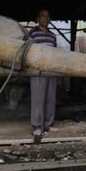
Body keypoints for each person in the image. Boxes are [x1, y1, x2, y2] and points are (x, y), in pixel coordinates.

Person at [28, 9, 58, 144]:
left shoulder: (53, 36)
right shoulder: (32, 33)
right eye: (43, 16)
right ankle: (36, 127)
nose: (45, 18)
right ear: (37, 18)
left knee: (50, 98)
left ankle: (47, 125)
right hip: (37, 70)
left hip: (50, 70)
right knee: (37, 99)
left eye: (47, 16)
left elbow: (55, 52)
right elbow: (27, 50)